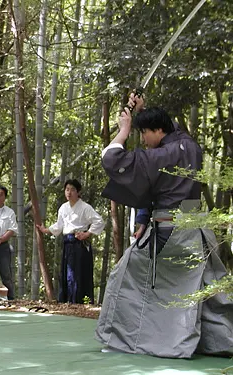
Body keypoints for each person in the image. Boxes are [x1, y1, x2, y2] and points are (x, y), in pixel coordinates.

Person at [95, 94, 233, 358]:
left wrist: (124, 129)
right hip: (197, 232)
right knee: (205, 291)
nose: (143, 139)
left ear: (158, 130)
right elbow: (172, 129)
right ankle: (221, 342)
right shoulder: (190, 146)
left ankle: (133, 340)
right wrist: (142, 112)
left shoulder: (159, 156)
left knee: (123, 280)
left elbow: (111, 158)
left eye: (144, 132)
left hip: (170, 233)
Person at [37, 179, 104, 304]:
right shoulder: (63, 207)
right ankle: (67, 300)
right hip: (67, 243)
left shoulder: (85, 207)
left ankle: (80, 301)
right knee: (67, 273)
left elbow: (99, 221)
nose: (69, 192)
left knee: (78, 273)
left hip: (79, 243)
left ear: (78, 192)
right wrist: (45, 230)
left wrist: (87, 233)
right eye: (67, 189)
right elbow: (59, 225)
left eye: (72, 190)